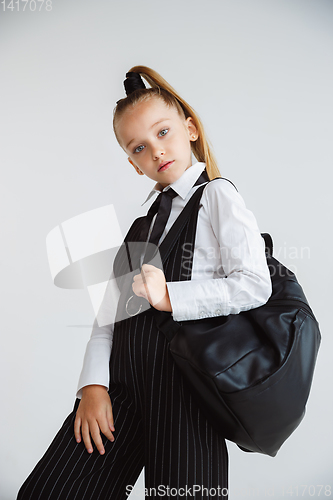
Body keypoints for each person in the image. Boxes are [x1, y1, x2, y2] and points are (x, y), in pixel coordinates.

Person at [17, 65, 272, 499]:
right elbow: (108, 315)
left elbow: (254, 284)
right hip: (122, 391)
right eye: (140, 146)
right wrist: (93, 386)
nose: (156, 150)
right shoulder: (141, 223)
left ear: (189, 129)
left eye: (163, 132)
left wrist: (169, 295)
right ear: (133, 164)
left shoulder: (218, 196)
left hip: (187, 397)